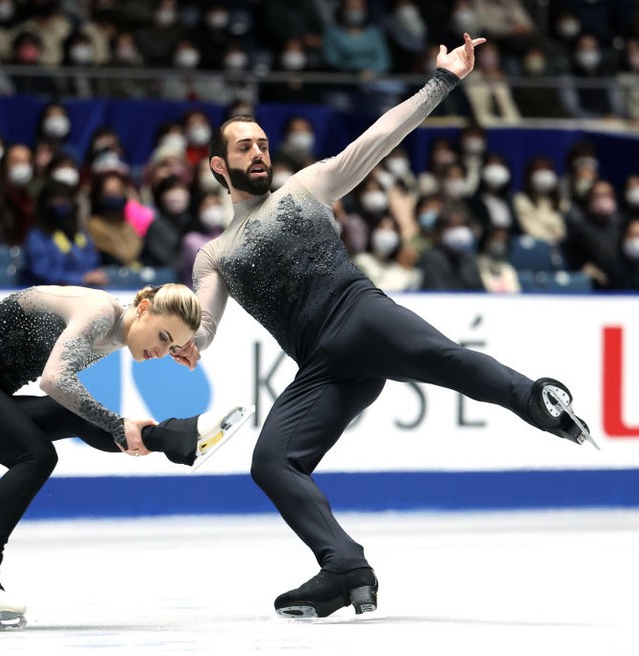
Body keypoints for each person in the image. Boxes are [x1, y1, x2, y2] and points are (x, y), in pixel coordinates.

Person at [171, 34, 593, 619]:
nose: (259, 153)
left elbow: (379, 137)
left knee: (447, 359)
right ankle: (344, 565)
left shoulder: (305, 188)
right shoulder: (215, 254)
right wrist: (187, 345)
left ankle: (538, 400)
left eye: (263, 143)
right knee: (271, 463)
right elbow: (205, 325)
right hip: (324, 367)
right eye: (245, 147)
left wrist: (442, 81)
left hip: (359, 315)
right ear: (220, 165)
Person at [0, 283, 241, 622]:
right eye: (162, 337)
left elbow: (71, 395)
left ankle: (176, 438)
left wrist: (187, 344)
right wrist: (116, 424)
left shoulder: (119, 333)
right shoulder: (100, 311)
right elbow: (54, 379)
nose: (161, 352)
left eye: (171, 346)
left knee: (73, 417)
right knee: (37, 455)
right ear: (143, 308)